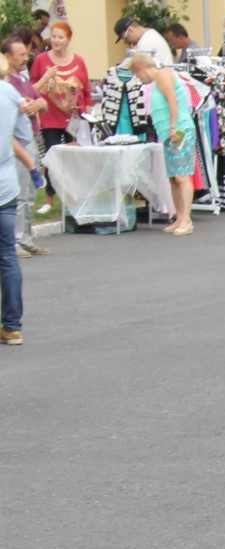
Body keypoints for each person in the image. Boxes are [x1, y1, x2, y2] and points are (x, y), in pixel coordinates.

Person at [127, 54, 196, 235]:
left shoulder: (163, 75)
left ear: (141, 68)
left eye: (138, 75)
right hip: (168, 133)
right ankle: (179, 217)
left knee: (182, 175)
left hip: (180, 130)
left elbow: (172, 100)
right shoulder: (156, 82)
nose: (140, 79)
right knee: (173, 176)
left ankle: (186, 219)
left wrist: (173, 126)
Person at [29, 21, 87, 215]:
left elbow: (86, 90)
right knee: (51, 159)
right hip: (49, 118)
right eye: (53, 36)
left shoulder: (78, 61)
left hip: (73, 118)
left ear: (68, 39)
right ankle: (49, 197)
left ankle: (75, 197)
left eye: (60, 37)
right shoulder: (41, 60)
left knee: (74, 158)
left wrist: (83, 111)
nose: (56, 40)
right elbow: (32, 86)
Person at [4, 37, 47, 258]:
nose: (26, 57)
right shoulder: (7, 84)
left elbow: (42, 102)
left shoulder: (23, 79)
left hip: (31, 137)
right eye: (20, 54)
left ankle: (27, 239)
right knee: (19, 192)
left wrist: (37, 103)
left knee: (30, 192)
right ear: (8, 57)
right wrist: (27, 105)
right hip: (17, 142)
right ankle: (16, 240)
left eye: (26, 53)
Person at [0, 51, 25, 344]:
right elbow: (24, 133)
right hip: (6, 184)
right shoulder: (11, 93)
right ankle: (12, 325)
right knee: (7, 256)